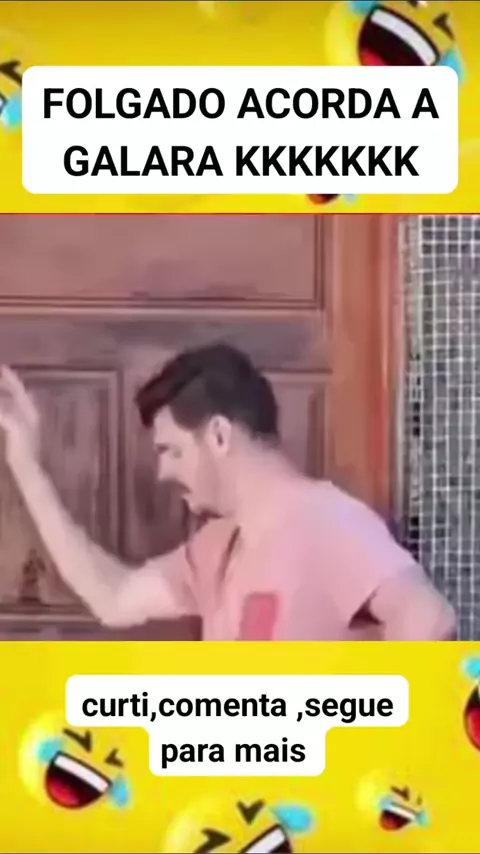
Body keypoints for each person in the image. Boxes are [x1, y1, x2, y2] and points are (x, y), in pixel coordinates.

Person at [0, 344, 456, 641]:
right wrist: (25, 463)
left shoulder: (328, 521)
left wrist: (361, 740)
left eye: (171, 451)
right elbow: (113, 598)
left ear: (218, 436)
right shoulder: (217, 547)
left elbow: (430, 620)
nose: (162, 472)